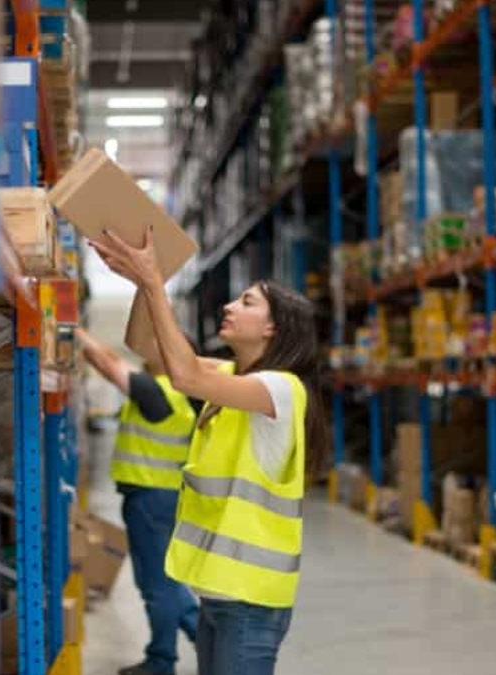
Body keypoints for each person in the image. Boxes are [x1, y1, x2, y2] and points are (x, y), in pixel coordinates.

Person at [90, 227, 328, 675]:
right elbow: (147, 345)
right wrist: (144, 283)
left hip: (251, 602)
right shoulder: (233, 376)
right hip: (219, 594)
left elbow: (185, 377)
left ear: (274, 327)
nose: (229, 306)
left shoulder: (281, 389)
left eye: (247, 302)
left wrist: (156, 281)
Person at [75, 327, 201, 675]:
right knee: (160, 583)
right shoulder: (172, 394)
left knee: (158, 586)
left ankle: (170, 658)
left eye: (159, 346)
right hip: (156, 496)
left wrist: (71, 325)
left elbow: (107, 362)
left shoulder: (161, 393)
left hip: (151, 498)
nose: (149, 350)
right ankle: (186, 651)